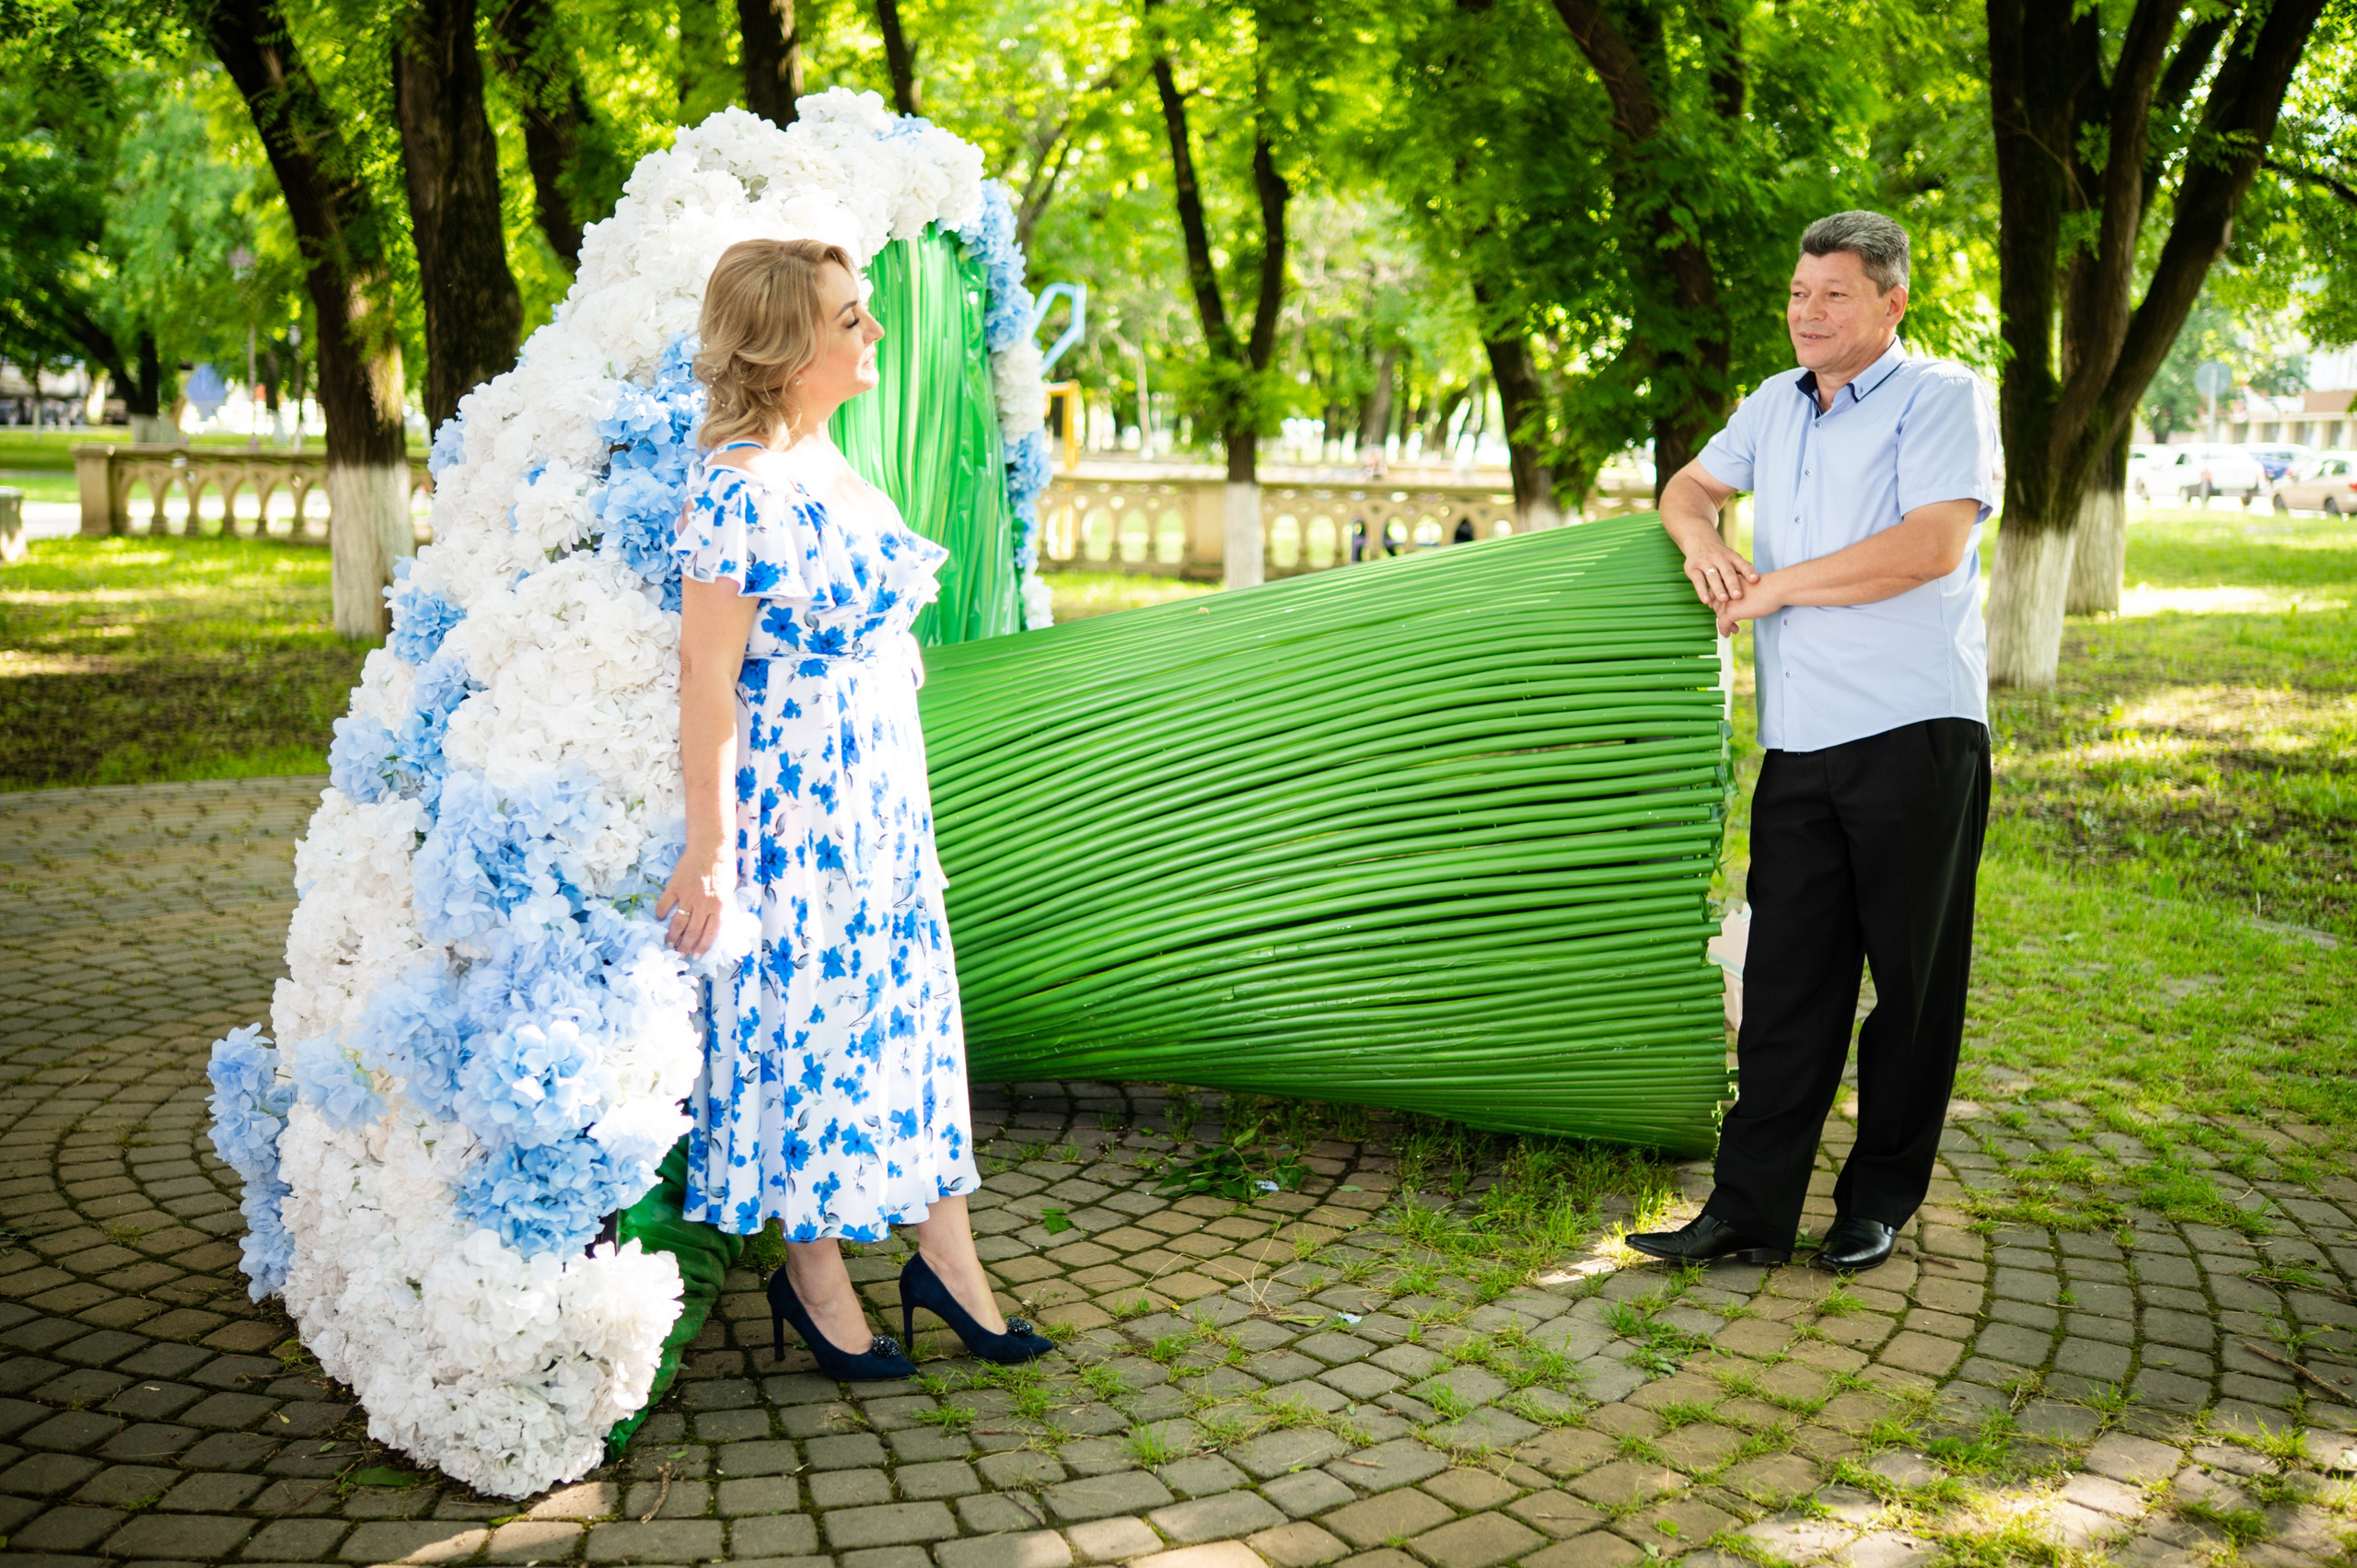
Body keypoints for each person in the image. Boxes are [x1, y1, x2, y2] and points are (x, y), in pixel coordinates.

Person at [656, 238, 1051, 1375]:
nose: (871, 332)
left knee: (909, 1013)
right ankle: (818, 1276)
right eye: (849, 319)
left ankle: (948, 1256)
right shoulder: (732, 492)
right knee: (810, 1026)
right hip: (797, 808)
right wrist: (711, 847)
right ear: (783, 348)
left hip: (881, 794)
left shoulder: (827, 459)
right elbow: (706, 678)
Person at [1628, 211, 1997, 1275]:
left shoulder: (1940, 397)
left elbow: (1929, 545)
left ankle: (1875, 1199)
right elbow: (1690, 487)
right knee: (1788, 983)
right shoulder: (1772, 404)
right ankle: (1748, 1208)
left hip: (1915, 730)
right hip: (1799, 743)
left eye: (1833, 293)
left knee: (1912, 988)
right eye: (1798, 291)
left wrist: (1770, 586)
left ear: (1891, 303)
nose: (1806, 311)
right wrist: (1704, 541)